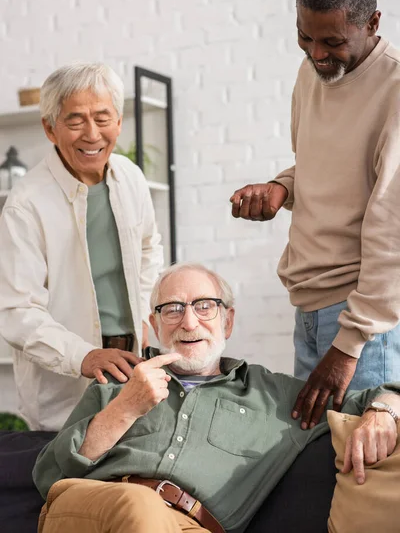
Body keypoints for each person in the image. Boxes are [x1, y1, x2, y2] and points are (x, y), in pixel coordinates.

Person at [33, 263, 400, 533]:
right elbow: (49, 476)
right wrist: (125, 408)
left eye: (204, 306)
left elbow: (381, 395)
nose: (189, 322)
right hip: (91, 510)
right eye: (172, 309)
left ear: (228, 320)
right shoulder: (118, 383)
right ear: (156, 324)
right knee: (138, 503)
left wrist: (383, 410)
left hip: (193, 526)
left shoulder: (274, 396)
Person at [230, 0, 400, 427]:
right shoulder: (313, 73)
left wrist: (348, 347)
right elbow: (320, 166)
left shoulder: (395, 91)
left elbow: (394, 233)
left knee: (368, 476)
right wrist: (280, 188)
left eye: (332, 41)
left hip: (362, 323)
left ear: (373, 22)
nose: (317, 53)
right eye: (305, 37)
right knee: (317, 469)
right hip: (307, 307)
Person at [0, 63, 163, 431]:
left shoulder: (131, 178)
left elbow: (150, 248)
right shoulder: (25, 204)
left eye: (103, 118)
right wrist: (84, 356)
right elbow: (16, 311)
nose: (92, 134)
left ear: (119, 122)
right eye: (75, 121)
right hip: (66, 378)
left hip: (131, 360)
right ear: (50, 128)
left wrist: (143, 311)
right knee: (71, 478)